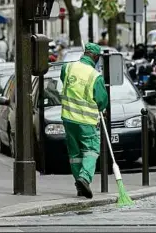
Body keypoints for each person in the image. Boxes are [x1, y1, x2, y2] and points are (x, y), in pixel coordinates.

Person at [60, 42, 108, 199]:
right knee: (91, 151)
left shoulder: (67, 68)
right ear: (95, 56)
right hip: (86, 120)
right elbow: (101, 100)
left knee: (75, 154)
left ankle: (79, 186)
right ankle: (85, 178)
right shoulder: (95, 76)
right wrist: (100, 108)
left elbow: (64, 81)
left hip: (68, 118)